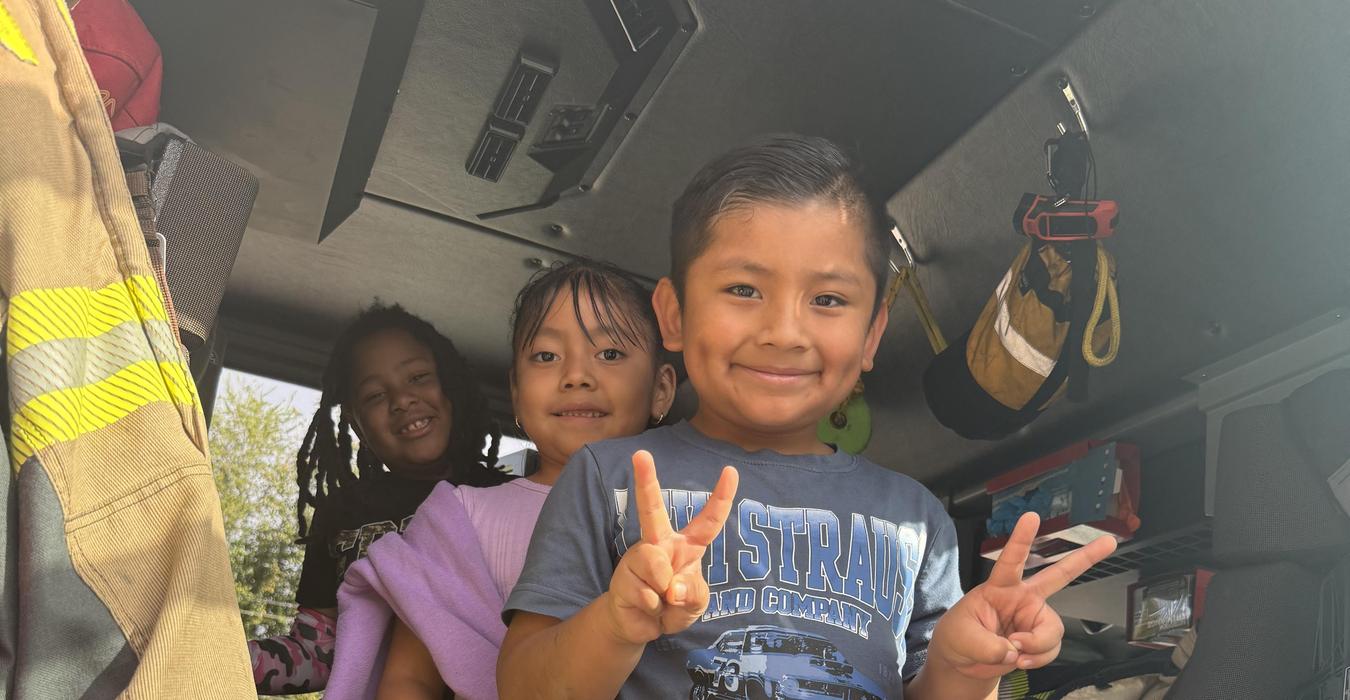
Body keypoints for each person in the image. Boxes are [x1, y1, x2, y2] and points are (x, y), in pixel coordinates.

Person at [498, 135, 1117, 699]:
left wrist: (964, 669)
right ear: (675, 315)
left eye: (827, 299)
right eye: (744, 289)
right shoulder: (609, 478)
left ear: (872, 334)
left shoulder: (916, 517)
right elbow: (522, 687)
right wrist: (616, 623)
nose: (784, 332)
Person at [327, 259, 677, 699]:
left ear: (661, 388)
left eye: (609, 354)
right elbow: (409, 681)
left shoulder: (690, 515)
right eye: (547, 356)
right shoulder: (462, 517)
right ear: (515, 391)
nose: (576, 377)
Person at [249, 303, 509, 694]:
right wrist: (217, 656)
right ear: (355, 421)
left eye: (419, 377)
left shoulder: (506, 498)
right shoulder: (342, 512)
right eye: (374, 395)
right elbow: (319, 654)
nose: (402, 400)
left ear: (451, 385)